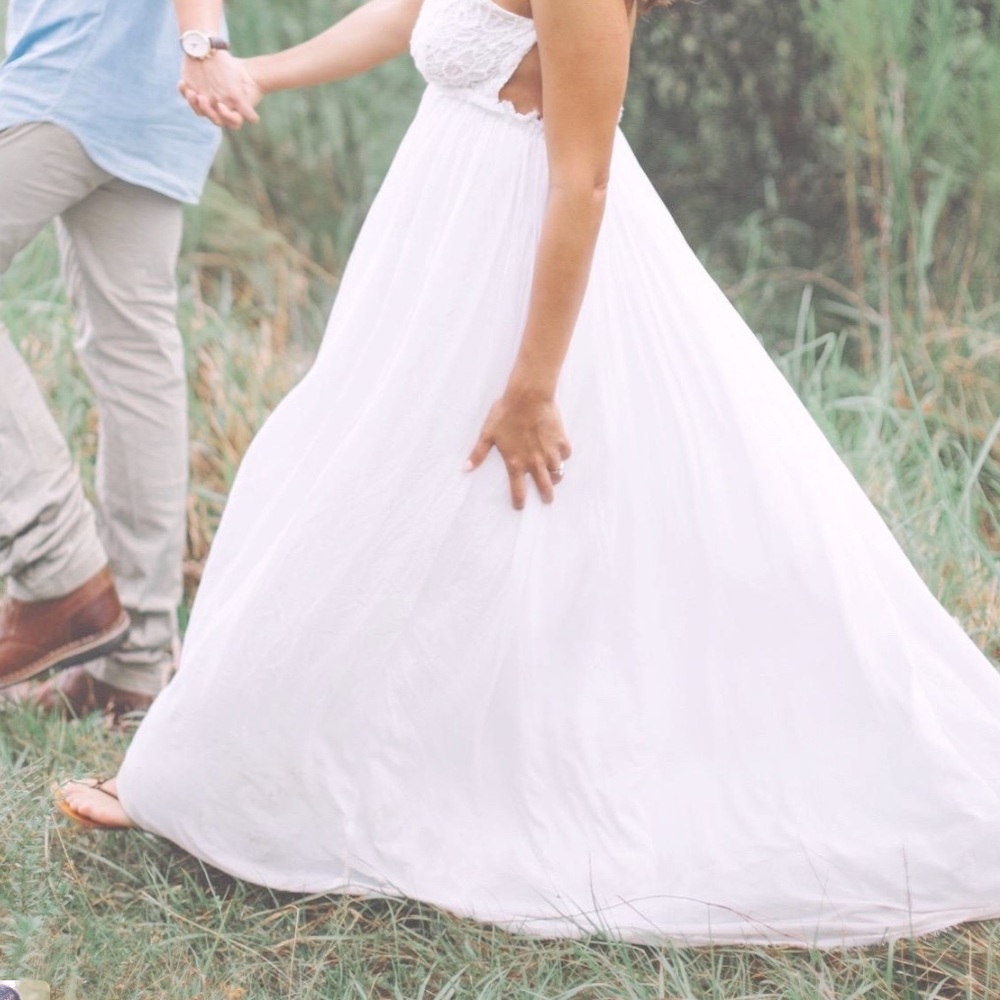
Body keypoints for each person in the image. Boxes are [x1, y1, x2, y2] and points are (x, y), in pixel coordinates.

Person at [56, 0, 1000, 948]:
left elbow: (582, 181)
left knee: (464, 517)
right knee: (347, 483)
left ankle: (260, 776)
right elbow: (409, 12)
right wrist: (264, 70)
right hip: (435, 249)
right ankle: (254, 767)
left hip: (519, 272)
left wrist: (533, 387)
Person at [0, 0, 230, 715]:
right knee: (136, 356)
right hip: (157, 91)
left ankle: (55, 561)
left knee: (135, 352)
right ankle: (135, 662)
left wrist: (202, 39)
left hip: (79, 69)